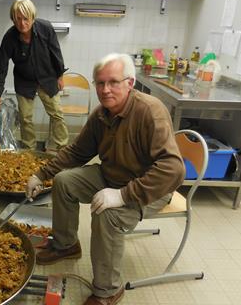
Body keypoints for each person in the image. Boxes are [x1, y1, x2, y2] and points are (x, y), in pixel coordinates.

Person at [26, 53, 185, 305]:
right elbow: (78, 151)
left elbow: (174, 169)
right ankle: (66, 244)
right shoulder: (102, 114)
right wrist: (41, 174)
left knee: (105, 213)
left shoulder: (149, 112)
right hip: (111, 175)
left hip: (149, 187)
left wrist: (122, 195)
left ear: (130, 83)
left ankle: (108, 290)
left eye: (113, 82)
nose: (105, 89)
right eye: (100, 83)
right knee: (65, 182)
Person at [0, 0, 69, 152]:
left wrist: (60, 75)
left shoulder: (45, 28)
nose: (22, 23)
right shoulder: (10, 37)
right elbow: (1, 66)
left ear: (32, 16)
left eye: (26, 18)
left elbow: (56, 53)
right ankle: (29, 150)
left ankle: (63, 149)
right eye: (18, 19)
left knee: (57, 114)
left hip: (48, 78)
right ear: (13, 19)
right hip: (24, 82)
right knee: (25, 118)